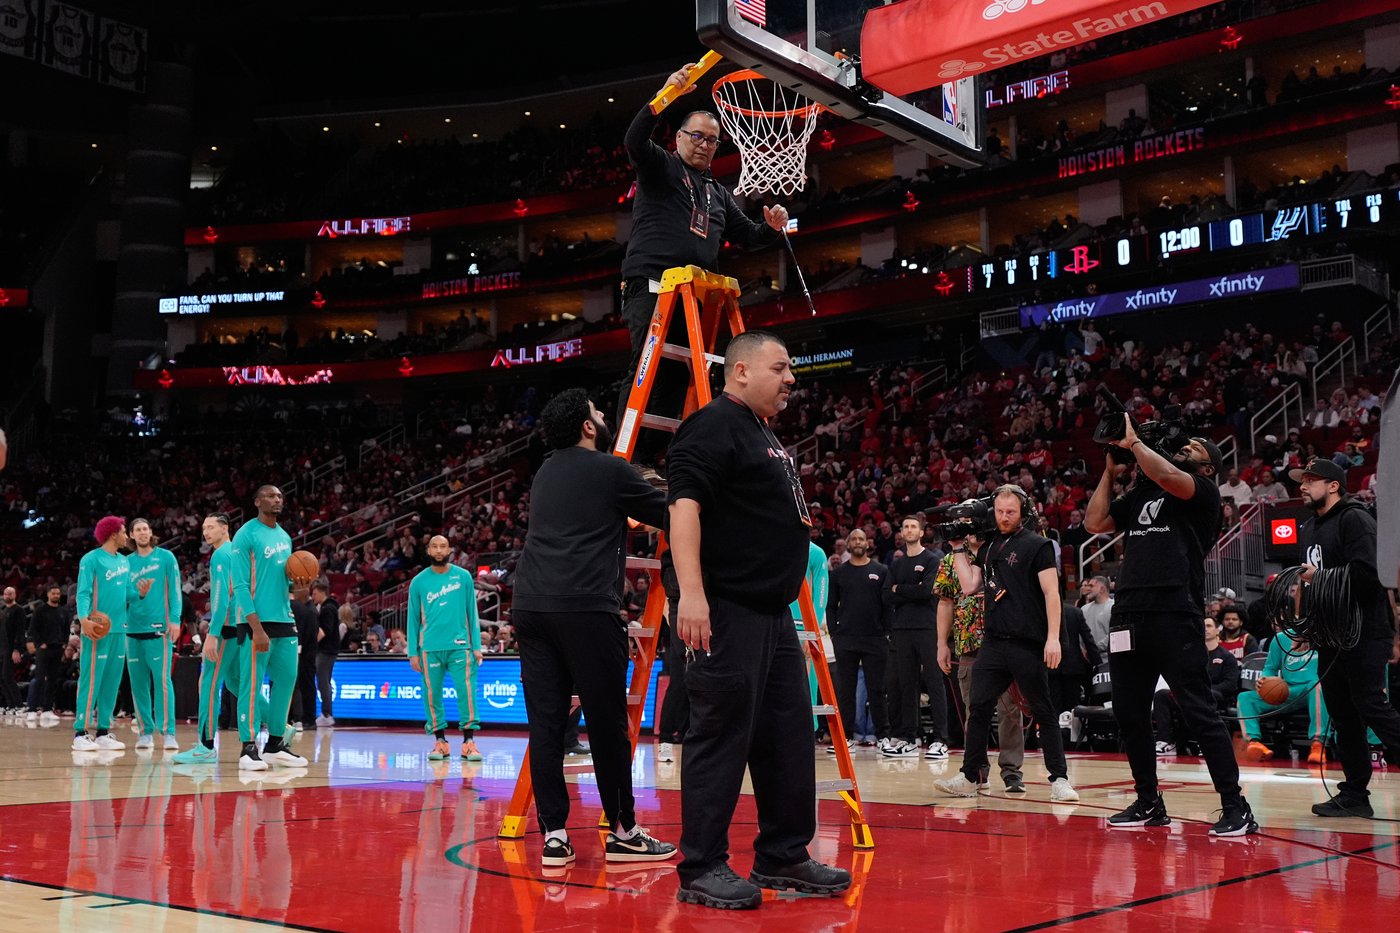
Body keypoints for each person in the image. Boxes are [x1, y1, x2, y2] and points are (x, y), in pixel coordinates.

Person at [668, 331, 849, 908]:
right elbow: (684, 507)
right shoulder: (712, 424)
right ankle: (701, 866)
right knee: (720, 737)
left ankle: (783, 854)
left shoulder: (762, 432)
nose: (792, 378)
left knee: (787, 739)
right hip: (729, 610)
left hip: (772, 616)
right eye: (781, 367)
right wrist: (692, 594)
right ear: (741, 371)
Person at [511, 388, 676, 869]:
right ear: (588, 427)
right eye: (598, 413)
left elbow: (591, 515)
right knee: (607, 724)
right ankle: (624, 832)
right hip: (584, 607)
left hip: (531, 606)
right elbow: (667, 513)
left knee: (546, 726)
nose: (604, 417)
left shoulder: (544, 472)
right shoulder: (610, 469)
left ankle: (556, 838)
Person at [1085, 426, 1258, 836]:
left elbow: (1166, 476)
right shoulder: (1144, 492)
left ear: (1208, 466)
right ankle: (1148, 802)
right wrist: (1110, 472)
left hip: (1175, 612)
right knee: (1128, 713)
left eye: (1195, 447)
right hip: (1129, 613)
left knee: (1199, 710)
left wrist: (1135, 442)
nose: (1186, 446)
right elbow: (1095, 522)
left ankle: (1236, 807)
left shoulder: (1201, 491)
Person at [616, 62, 790, 471]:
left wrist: (772, 228)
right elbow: (633, 141)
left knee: (678, 380)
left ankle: (650, 459)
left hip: (695, 297)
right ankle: (626, 456)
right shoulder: (661, 166)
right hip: (652, 283)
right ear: (679, 138)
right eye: (696, 136)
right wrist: (666, 96)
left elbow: (747, 236)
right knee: (647, 364)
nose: (705, 145)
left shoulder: (717, 192)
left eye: (713, 140)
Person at [935, 487, 1079, 802]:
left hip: (1028, 642)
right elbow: (970, 585)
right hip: (994, 642)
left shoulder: (1038, 545)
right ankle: (970, 776)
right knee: (979, 707)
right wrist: (959, 547)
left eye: (1010, 512)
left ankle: (1060, 779)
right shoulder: (990, 546)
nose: (1003, 517)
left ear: (1022, 511)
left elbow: (1052, 593)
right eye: (999, 511)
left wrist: (1053, 637)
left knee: (1043, 709)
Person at [1292, 457, 1400, 817]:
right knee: (1342, 715)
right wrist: (1308, 627)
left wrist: (1319, 579)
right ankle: (1355, 793)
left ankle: (1356, 790)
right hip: (1330, 634)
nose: (1302, 486)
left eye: (1310, 480)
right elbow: (1312, 584)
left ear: (1334, 485)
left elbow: (1370, 576)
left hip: (1364, 630)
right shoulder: (1310, 527)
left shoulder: (1355, 519)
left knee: (1371, 705)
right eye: (1301, 480)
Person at [935, 531, 1027, 793]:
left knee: (1011, 708)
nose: (969, 527)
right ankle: (975, 771)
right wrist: (942, 643)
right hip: (968, 645)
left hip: (1003, 641)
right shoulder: (950, 560)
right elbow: (945, 602)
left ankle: (1012, 771)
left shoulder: (1001, 553)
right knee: (973, 711)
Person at [229, 486, 311, 771]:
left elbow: (281, 582)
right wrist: (256, 627)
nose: (277, 499)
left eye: (280, 496)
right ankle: (247, 748)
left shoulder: (285, 537)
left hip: (284, 619)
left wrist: (298, 587)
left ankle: (275, 744)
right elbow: (239, 585)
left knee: (287, 681)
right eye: (270, 496)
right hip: (256, 623)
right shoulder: (245, 535)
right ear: (257, 501)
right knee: (251, 686)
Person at [408, 535, 484, 762]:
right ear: (428, 550)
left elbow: (473, 613)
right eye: (434, 546)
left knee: (467, 694)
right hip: (429, 648)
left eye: (443, 546)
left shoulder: (463, 578)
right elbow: (413, 619)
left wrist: (477, 646)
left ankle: (469, 742)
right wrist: (413, 651)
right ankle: (440, 742)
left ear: (449, 549)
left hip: (461, 646)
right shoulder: (419, 582)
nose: (439, 550)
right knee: (432, 696)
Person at [73, 516, 146, 752]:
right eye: (125, 532)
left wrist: (139, 593)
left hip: (118, 629)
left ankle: (103, 730)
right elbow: (83, 592)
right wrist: (83, 619)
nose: (127, 536)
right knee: (91, 680)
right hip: (96, 628)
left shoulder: (124, 562)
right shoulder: (91, 559)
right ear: (113, 534)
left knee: (111, 682)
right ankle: (80, 732)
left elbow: (126, 593)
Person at [173, 514, 238, 764]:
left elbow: (221, 598)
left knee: (208, 683)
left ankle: (206, 745)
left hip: (225, 628)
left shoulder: (221, 554)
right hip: (240, 626)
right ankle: (280, 725)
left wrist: (212, 633)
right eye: (204, 528)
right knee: (237, 684)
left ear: (225, 528)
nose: (206, 532)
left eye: (211, 527)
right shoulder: (238, 552)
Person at [883, 516, 949, 759]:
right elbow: (885, 596)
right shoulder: (896, 563)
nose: (909, 529)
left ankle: (941, 740)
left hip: (927, 628)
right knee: (906, 683)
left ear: (922, 532)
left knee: (934, 682)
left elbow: (925, 591)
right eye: (906, 526)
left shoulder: (932, 559)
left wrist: (899, 589)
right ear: (901, 532)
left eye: (913, 526)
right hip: (901, 629)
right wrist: (906, 591)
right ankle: (910, 737)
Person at [827, 529, 890, 753]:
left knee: (877, 689)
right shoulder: (838, 573)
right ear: (847, 544)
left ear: (868, 543)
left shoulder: (881, 570)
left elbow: (887, 605)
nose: (857, 542)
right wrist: (834, 632)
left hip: (875, 638)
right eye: (853, 539)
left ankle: (883, 736)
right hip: (846, 639)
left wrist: (886, 631)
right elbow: (831, 606)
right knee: (846, 690)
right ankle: (845, 737)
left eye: (861, 539)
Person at [124, 518, 182, 751]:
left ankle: (168, 733)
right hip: (132, 630)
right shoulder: (126, 562)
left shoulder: (166, 557)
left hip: (159, 628)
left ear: (151, 532)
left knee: (162, 682)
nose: (142, 533)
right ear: (131, 535)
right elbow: (123, 595)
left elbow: (175, 590)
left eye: (146, 529)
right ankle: (145, 732)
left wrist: (175, 619)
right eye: (138, 530)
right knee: (138, 685)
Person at [1239, 625, 1328, 765]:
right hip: (1287, 691)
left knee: (1317, 686)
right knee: (1245, 698)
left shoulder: (1324, 634)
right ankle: (1254, 743)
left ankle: (1318, 744)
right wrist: (1264, 679)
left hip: (1314, 689)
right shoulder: (1280, 638)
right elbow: (1270, 668)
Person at [1151, 616, 1237, 754]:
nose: (1205, 629)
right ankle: (1166, 741)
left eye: (1209, 626)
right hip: (1191, 692)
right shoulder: (1191, 654)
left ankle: (1203, 742)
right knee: (1162, 695)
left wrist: (1204, 690)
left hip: (1215, 695)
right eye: (1203, 626)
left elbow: (1230, 685)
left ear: (1217, 631)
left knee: (1202, 695)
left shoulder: (1227, 657)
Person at [24, 586, 67, 722]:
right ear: (48, 594)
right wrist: (39, 643)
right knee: (39, 679)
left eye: (58, 593)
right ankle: (32, 709)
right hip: (44, 648)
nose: (56, 595)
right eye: (53, 593)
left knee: (53, 681)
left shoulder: (63, 611)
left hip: (58, 648)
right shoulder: (40, 610)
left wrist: (65, 643)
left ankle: (47, 709)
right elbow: (33, 629)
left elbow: (66, 628)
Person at [310, 582, 340, 727]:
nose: (313, 596)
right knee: (324, 681)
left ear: (322, 592)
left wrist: (311, 644)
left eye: (315, 593)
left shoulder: (328, 609)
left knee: (323, 682)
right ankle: (327, 713)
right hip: (329, 650)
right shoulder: (330, 607)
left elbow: (324, 631)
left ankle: (327, 714)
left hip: (326, 650)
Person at [290, 583, 318, 728]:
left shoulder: (310, 611)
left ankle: (307, 718)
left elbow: (310, 635)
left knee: (304, 686)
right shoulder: (307, 609)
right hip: (306, 651)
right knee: (303, 685)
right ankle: (306, 718)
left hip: (307, 653)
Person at [0, 586, 28, 713]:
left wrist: (17, 650)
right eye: (5, 594)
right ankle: (10, 705)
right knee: (2, 678)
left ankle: (19, 705)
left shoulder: (19, 610)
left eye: (10, 594)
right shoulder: (4, 610)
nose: (7, 596)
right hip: (3, 648)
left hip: (11, 649)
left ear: (15, 595)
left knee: (7, 677)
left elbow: (20, 632)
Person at [1080, 576, 1114, 655]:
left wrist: (1093, 649)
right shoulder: (1084, 609)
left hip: (1107, 661)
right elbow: (1079, 635)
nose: (1088, 588)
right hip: (1087, 661)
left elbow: (1114, 635)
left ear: (1102, 589)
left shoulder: (1114, 608)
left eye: (1091, 586)